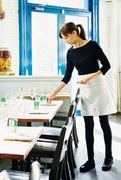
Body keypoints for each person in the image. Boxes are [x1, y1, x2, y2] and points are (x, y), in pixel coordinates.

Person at [47, 22, 117, 172]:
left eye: (66, 37)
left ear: (74, 33)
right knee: (88, 126)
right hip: (84, 89)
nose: (65, 41)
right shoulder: (70, 53)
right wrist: (53, 94)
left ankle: (108, 158)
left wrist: (89, 78)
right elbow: (67, 76)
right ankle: (91, 160)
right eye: (63, 38)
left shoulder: (92, 45)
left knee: (104, 124)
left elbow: (106, 65)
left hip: (98, 86)